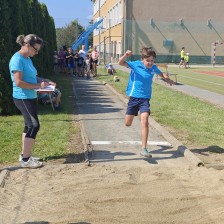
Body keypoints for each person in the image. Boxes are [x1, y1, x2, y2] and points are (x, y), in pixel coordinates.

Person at [9, 34, 56, 168]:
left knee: (28, 125)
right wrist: (38, 86)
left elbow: (32, 78)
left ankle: (25, 154)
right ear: (27, 45)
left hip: (30, 96)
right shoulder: (17, 59)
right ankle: (26, 159)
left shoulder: (27, 58)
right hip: (22, 96)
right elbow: (19, 82)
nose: (37, 53)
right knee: (34, 125)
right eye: (36, 50)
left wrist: (45, 81)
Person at [118, 47, 174, 158]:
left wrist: (166, 77)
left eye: (152, 61)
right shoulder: (135, 65)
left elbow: (160, 73)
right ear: (142, 59)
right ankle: (136, 113)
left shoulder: (153, 67)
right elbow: (120, 63)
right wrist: (125, 55)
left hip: (145, 99)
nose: (150, 63)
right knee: (127, 124)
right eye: (148, 60)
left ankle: (144, 148)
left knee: (145, 122)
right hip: (134, 98)